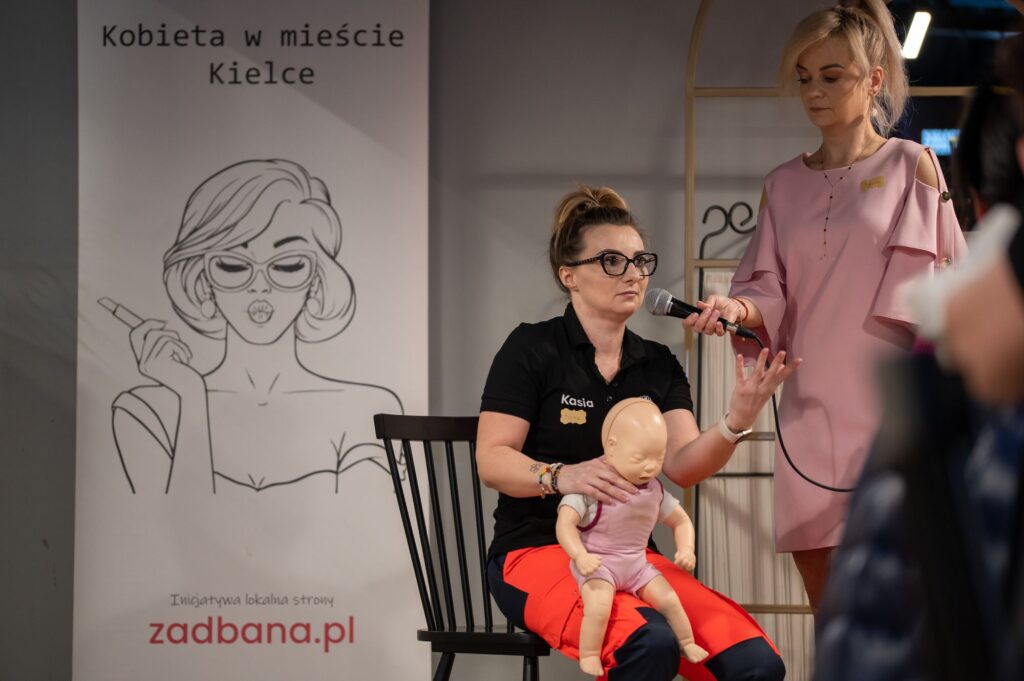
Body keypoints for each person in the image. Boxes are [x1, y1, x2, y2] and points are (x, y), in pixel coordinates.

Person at [685, 0, 967, 610]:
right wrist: (735, 310)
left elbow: (947, 300)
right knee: (832, 613)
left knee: (909, 615)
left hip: (895, 411)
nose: (814, 91)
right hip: (810, 413)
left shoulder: (912, 165)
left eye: (831, 76)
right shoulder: (781, 184)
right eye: (805, 77)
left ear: (873, 79)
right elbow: (766, 293)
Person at [477, 185, 798, 681]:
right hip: (535, 551)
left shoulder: (657, 363)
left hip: (632, 559)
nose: (633, 274)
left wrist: (735, 421)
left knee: (756, 664)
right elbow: (492, 458)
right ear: (569, 275)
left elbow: (684, 467)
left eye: (640, 261)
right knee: (651, 642)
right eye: (611, 261)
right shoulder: (532, 348)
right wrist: (564, 476)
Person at [110, 159, 402, 493]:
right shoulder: (147, 410)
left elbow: (362, 520)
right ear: (202, 280)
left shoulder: (365, 408)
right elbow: (172, 521)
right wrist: (191, 396)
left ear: (317, 280)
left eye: (288, 265)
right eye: (233, 265)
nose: (260, 286)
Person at [556, 398, 708, 676]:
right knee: (599, 606)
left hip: (637, 565)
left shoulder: (654, 490)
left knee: (670, 600)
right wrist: (579, 555)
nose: (650, 468)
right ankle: (589, 653)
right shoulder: (591, 485)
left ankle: (686, 642)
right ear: (611, 447)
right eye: (640, 459)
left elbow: (681, 520)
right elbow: (565, 523)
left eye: (658, 458)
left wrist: (687, 548)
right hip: (599, 563)